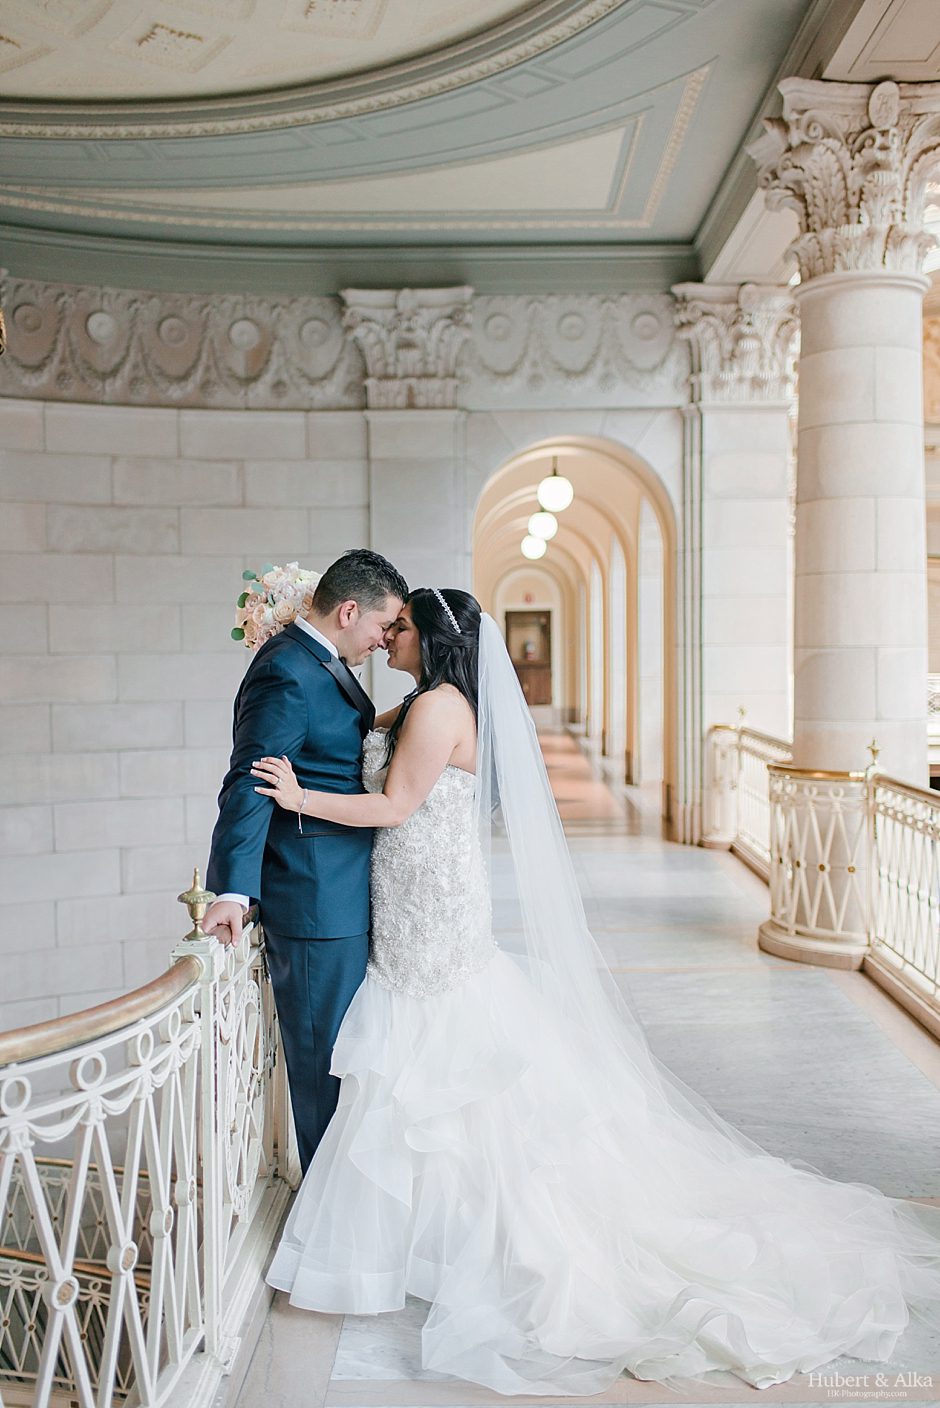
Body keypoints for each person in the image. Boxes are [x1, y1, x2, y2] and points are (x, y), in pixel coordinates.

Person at [251, 588, 940, 1396]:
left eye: (399, 627)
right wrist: (286, 636)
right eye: (386, 622)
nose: (388, 635)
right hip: (412, 903)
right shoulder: (419, 703)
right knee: (423, 1068)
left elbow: (398, 804)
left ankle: (461, 1238)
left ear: (431, 641)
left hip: (431, 914)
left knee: (446, 1063)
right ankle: (428, 1235)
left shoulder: (439, 707)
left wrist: (298, 798)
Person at [202, 548, 407, 1174]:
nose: (384, 639)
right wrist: (232, 891)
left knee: (348, 1063)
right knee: (325, 1071)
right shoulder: (287, 669)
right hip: (314, 900)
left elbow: (344, 735)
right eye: (383, 626)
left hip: (341, 889)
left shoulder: (319, 659)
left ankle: (343, 1209)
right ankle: (329, 1225)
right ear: (349, 611)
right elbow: (251, 778)